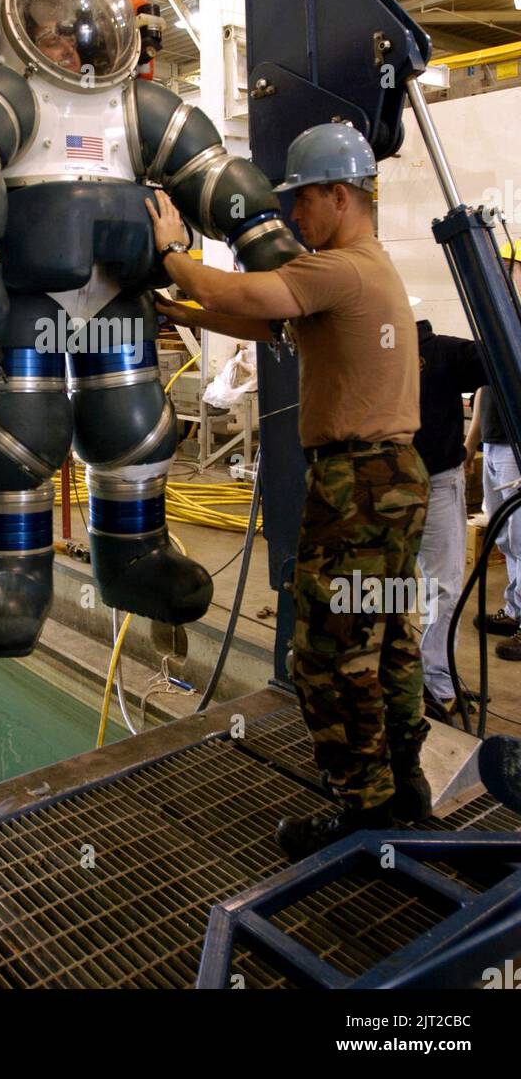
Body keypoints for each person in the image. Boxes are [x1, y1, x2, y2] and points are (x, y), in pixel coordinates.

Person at [147, 123, 431, 859]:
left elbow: (233, 286)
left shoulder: (337, 269)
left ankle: (360, 811)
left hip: (357, 488)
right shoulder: (366, 271)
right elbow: (253, 315)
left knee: (329, 654)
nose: (294, 219)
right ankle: (405, 790)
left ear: (341, 195)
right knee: (390, 640)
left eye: (303, 201)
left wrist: (173, 252)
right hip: (394, 484)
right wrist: (177, 312)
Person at [412, 319, 487, 715]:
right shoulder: (370, 349)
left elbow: (495, 358)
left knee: (442, 588)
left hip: (438, 482)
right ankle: (402, 677)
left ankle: (437, 681)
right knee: (375, 585)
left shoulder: (443, 351)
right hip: (387, 486)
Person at [464, 242, 521, 662]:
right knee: (506, 538)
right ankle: (516, 610)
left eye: (508, 267)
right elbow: (484, 388)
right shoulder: (498, 326)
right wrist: (471, 442)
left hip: (518, 451)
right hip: (497, 444)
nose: (500, 275)